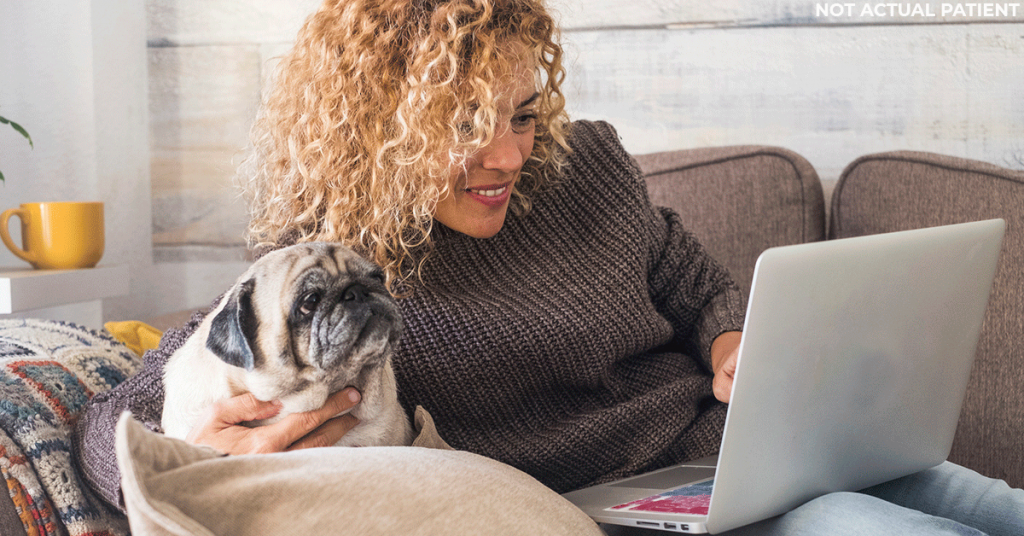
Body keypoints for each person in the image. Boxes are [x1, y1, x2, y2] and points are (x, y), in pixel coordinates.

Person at [73, 1, 1023, 534]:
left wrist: (731, 337)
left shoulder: (587, 166)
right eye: (463, 125)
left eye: (522, 113)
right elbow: (129, 406)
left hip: (743, 457)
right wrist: (203, 454)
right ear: (376, 130)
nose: (508, 155)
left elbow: (688, 277)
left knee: (997, 506)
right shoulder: (331, 268)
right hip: (624, 511)